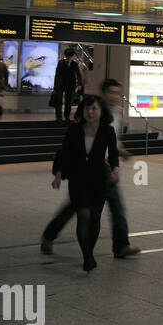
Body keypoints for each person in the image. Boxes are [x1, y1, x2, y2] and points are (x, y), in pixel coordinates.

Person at [43, 81, 139, 259]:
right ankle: (49, 235)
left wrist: (120, 153)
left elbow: (112, 142)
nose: (115, 97)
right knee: (74, 207)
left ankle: (121, 246)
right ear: (103, 94)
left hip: (107, 172)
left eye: (118, 93)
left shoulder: (116, 115)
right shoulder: (90, 113)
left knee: (117, 207)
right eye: (112, 92)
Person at [51, 95, 120, 273]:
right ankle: (87, 257)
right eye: (87, 109)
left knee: (95, 217)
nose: (90, 112)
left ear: (101, 112)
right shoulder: (74, 130)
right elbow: (64, 153)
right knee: (83, 214)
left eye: (94, 109)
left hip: (99, 179)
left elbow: (113, 154)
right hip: (78, 179)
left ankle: (89, 252)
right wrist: (58, 174)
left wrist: (115, 169)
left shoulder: (107, 131)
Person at [52, 48, 82, 123]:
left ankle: (67, 117)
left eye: (70, 56)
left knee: (68, 102)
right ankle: (59, 117)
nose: (68, 57)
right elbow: (57, 75)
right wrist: (55, 86)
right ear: (65, 55)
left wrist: (79, 84)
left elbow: (78, 74)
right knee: (58, 101)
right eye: (67, 56)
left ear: (71, 56)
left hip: (70, 85)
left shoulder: (74, 64)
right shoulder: (60, 63)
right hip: (60, 85)